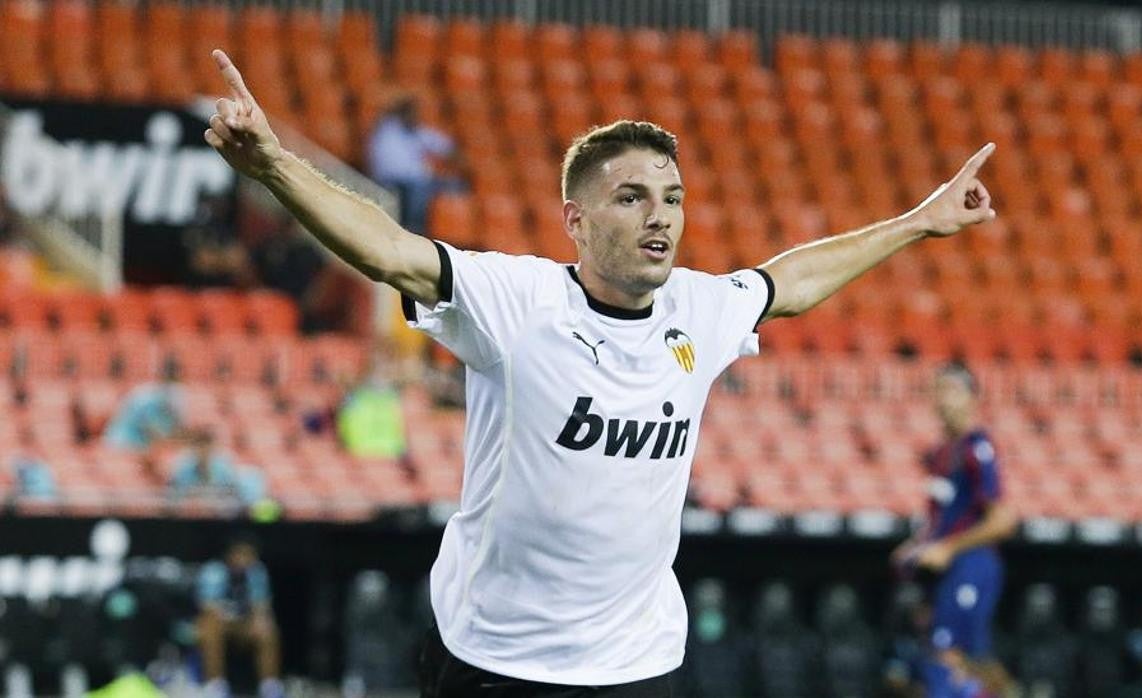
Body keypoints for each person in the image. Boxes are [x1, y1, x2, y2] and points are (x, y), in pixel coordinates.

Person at [203, 48, 997, 696]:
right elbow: (390, 249)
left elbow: (792, 282)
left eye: (673, 197)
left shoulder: (702, 309)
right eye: (632, 197)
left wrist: (920, 222)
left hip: (636, 666)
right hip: (493, 660)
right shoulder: (518, 301)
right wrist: (274, 166)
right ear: (576, 221)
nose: (661, 215)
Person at [890, 364, 1018, 696]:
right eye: (938, 390)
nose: (942, 399)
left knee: (950, 657)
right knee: (951, 656)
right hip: (948, 570)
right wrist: (918, 545)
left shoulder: (977, 447)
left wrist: (947, 549)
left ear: (972, 398)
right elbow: (944, 520)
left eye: (951, 390)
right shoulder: (940, 453)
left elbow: (1002, 521)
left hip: (971, 563)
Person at [195, 534, 283, 698]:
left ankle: (269, 685)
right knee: (210, 626)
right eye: (241, 554)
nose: (245, 560)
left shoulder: (257, 572)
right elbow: (207, 607)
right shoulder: (214, 571)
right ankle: (215, 684)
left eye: (250, 555)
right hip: (220, 623)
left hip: (244, 625)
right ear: (231, 554)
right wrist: (228, 616)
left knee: (268, 629)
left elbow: (261, 605)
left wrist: (260, 620)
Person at [366, 94, 464, 233]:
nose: (415, 116)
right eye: (411, 112)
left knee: (454, 184)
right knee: (419, 187)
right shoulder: (387, 129)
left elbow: (444, 147)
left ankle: (449, 230)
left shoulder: (417, 132)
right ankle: (413, 229)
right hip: (392, 179)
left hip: (413, 179)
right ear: (402, 113)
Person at [168, 428, 265, 509]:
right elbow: (177, 497)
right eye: (199, 446)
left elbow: (232, 494)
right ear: (193, 447)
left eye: (206, 445)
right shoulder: (182, 466)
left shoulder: (224, 463)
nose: (203, 450)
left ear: (212, 446)